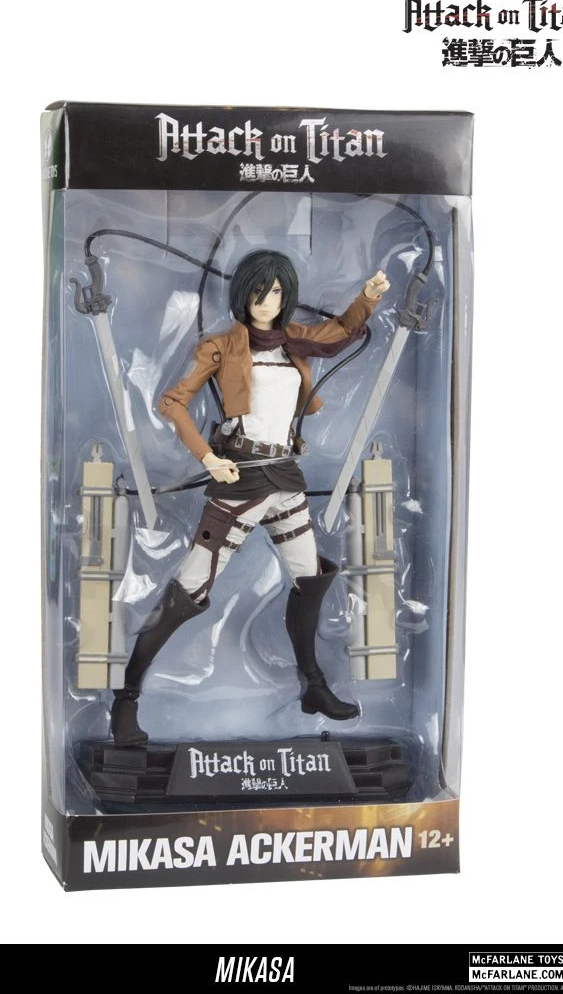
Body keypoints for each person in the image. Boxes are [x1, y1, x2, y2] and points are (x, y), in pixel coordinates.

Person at [111, 249, 390, 746]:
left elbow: (341, 333)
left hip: (283, 474)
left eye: (277, 291)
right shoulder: (221, 346)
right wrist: (208, 458)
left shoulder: (295, 341)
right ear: (244, 293)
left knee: (309, 580)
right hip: (239, 477)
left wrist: (367, 298)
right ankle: (126, 698)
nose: (267, 301)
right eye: (259, 291)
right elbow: (173, 402)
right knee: (190, 590)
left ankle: (313, 686)